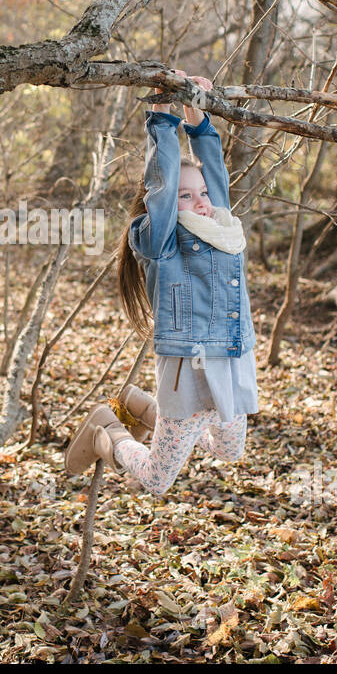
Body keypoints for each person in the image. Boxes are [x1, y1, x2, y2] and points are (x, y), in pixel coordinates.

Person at [64, 71, 259, 493]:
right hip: (189, 372)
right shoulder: (161, 241)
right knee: (157, 479)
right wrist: (160, 117)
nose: (201, 202)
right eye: (186, 197)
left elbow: (216, 176)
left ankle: (144, 408)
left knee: (229, 451)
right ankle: (107, 434)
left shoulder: (222, 226)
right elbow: (165, 185)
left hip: (231, 360)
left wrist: (196, 113)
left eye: (202, 194)